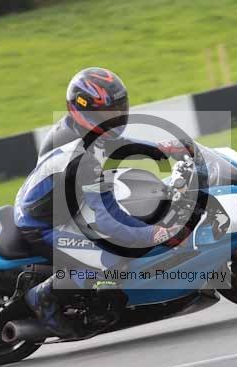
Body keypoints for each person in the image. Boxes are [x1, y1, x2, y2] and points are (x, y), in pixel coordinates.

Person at [14, 67, 190, 338]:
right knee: (111, 256)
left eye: (119, 110)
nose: (116, 118)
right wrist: (154, 234)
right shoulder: (83, 157)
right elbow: (108, 220)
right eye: (107, 113)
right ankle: (44, 297)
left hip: (62, 205)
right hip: (43, 224)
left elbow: (116, 146)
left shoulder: (74, 129)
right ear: (83, 112)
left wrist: (161, 149)